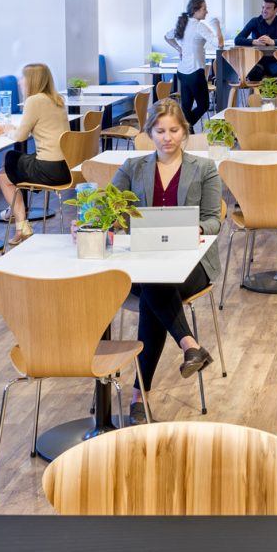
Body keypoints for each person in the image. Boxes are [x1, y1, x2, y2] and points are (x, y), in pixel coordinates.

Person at [109, 99, 222, 420]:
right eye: (160, 131)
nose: (167, 137)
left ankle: (138, 398)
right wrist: (91, 221)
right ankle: (189, 346)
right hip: (144, 264)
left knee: (152, 291)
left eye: (173, 130)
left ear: (185, 132)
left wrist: (195, 227)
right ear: (150, 133)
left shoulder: (204, 169)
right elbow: (108, 207)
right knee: (153, 281)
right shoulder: (133, 168)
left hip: (193, 265)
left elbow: (215, 220)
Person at [0, 63, 71, 246]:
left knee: (4, 173)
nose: (20, 81)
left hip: (48, 169)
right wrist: (15, 129)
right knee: (11, 162)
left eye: (23, 78)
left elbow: (20, 136)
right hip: (65, 168)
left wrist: (6, 130)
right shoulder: (56, 99)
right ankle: (17, 219)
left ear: (32, 80)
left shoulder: (34, 100)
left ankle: (21, 225)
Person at [164, 0, 221, 129]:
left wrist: (179, 48)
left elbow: (167, 36)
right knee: (203, 105)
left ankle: (185, 133)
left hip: (183, 72)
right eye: (204, 9)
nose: (206, 12)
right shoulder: (199, 26)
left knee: (186, 107)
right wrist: (217, 26)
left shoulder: (183, 24)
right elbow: (219, 43)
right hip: (195, 72)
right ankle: (184, 129)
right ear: (195, 10)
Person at [233, 0, 277, 81]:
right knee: (254, 73)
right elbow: (237, 39)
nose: (264, 11)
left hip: (273, 61)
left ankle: (275, 95)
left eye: (268, 8)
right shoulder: (254, 21)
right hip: (257, 61)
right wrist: (254, 42)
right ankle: (256, 94)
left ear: (276, 10)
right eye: (263, 7)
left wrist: (273, 42)